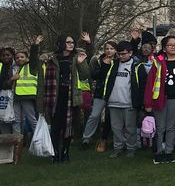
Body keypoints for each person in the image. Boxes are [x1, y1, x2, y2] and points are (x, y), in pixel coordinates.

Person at [42, 33, 91, 162]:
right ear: (61, 43)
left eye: (72, 42)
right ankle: (55, 152)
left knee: (68, 126)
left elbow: (85, 74)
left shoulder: (76, 57)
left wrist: (81, 63)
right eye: (68, 42)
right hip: (54, 96)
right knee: (56, 126)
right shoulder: (53, 58)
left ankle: (65, 151)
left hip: (71, 96)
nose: (71, 44)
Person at [144, 35, 175, 163]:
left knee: (171, 126)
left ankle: (169, 151)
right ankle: (159, 152)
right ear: (164, 48)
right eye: (170, 45)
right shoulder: (157, 61)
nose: (173, 47)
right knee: (160, 127)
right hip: (159, 98)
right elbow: (150, 83)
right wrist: (148, 102)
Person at [103, 41, 142, 158]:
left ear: (130, 53)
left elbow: (141, 85)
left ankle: (131, 148)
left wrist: (139, 101)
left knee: (130, 128)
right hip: (114, 102)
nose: (121, 56)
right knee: (116, 128)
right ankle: (118, 147)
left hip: (129, 102)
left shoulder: (136, 66)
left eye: (124, 54)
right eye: (119, 54)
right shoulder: (113, 64)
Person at [82, 40, 117, 147]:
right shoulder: (98, 60)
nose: (109, 51)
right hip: (100, 92)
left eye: (111, 49)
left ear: (115, 50)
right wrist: (104, 67)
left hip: (114, 93)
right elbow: (94, 75)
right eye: (107, 49)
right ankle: (86, 139)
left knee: (111, 117)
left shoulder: (118, 61)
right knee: (95, 115)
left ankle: (106, 139)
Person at [13, 35, 45, 137]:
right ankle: (17, 141)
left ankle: (38, 140)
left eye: (22, 57)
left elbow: (34, 55)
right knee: (16, 120)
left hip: (27, 96)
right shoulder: (17, 68)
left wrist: (35, 44)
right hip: (17, 97)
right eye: (17, 58)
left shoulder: (31, 66)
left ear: (27, 58)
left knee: (31, 119)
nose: (19, 59)